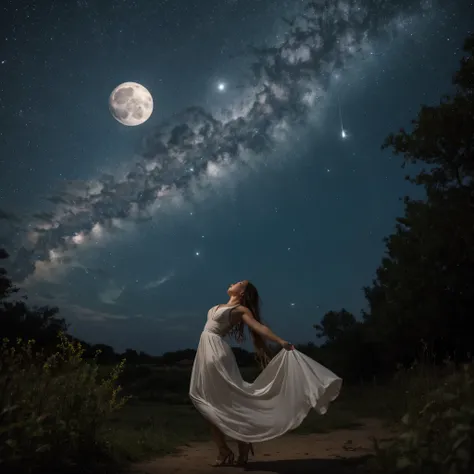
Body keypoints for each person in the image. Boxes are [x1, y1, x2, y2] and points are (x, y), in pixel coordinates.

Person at [189, 280, 342, 467]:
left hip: (215, 354)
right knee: (208, 403)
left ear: (243, 293)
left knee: (215, 402)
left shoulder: (241, 310)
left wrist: (281, 341)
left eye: (238, 283)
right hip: (205, 352)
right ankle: (229, 448)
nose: (232, 283)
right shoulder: (219, 307)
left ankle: (232, 447)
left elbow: (259, 327)